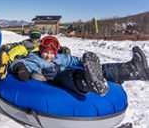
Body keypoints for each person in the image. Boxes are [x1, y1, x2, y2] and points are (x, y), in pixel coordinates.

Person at [10, 36, 149, 96]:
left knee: (96, 69)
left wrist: (82, 62)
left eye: (51, 53)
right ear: (40, 51)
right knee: (72, 76)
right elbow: (21, 63)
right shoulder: (36, 59)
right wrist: (20, 68)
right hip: (54, 80)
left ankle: (131, 70)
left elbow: (70, 59)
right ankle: (89, 82)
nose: (48, 56)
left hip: (64, 72)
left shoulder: (59, 58)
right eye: (45, 52)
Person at [0, 27, 71, 70]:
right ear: (30, 36)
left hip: (37, 57)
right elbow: (16, 44)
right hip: (27, 55)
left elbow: (52, 46)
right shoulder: (26, 42)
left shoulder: (42, 43)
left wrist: (62, 49)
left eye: (37, 36)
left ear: (40, 36)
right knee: (20, 47)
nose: (35, 38)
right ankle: (5, 62)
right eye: (33, 36)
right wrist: (7, 46)